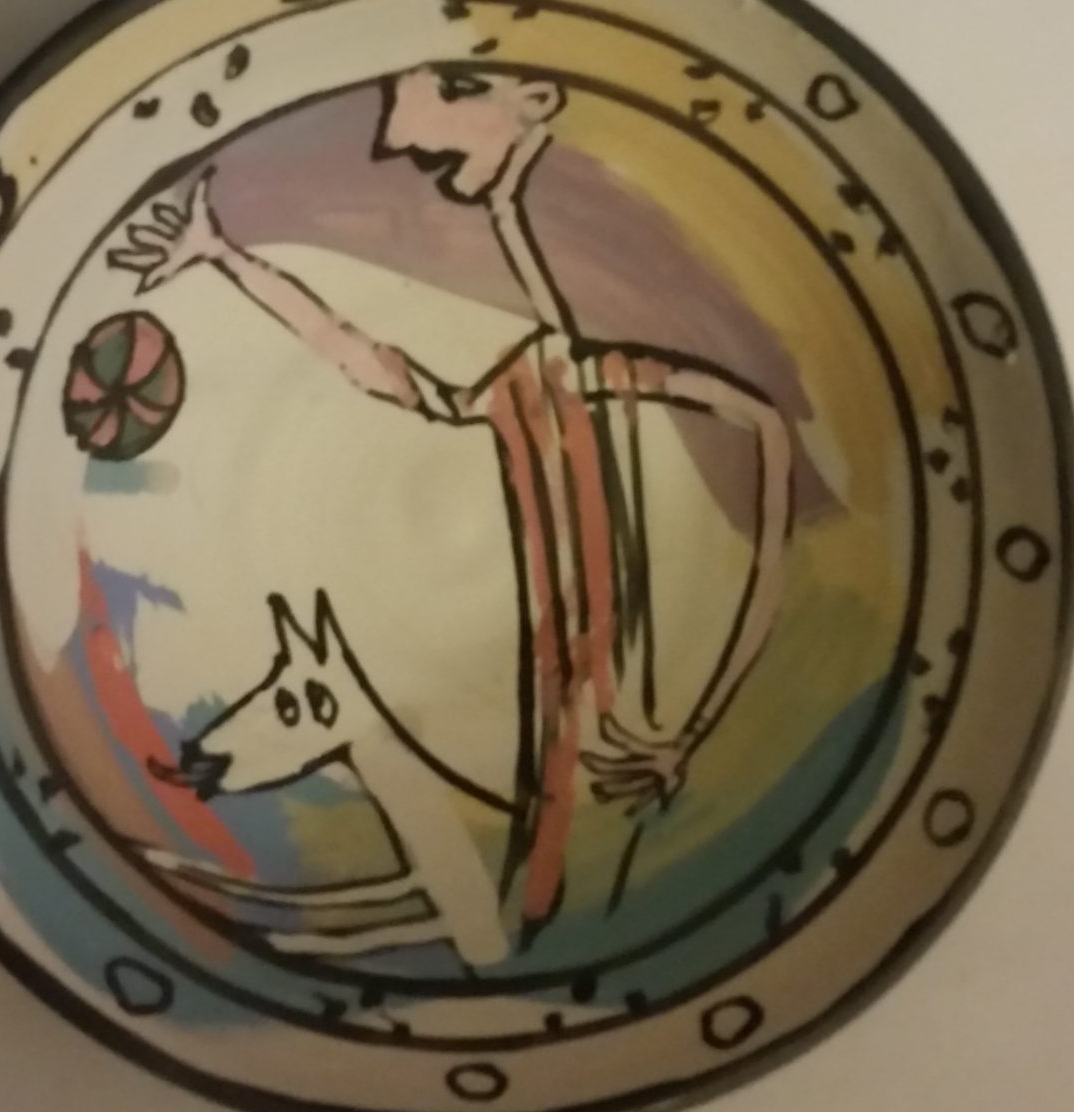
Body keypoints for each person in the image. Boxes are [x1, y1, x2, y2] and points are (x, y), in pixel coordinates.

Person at [109, 64, 793, 943]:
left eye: (440, 98)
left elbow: (763, 428)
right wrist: (224, 256)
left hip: (611, 746)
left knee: (534, 899)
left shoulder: (601, 372)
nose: (396, 140)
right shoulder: (524, 386)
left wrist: (687, 732)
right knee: (517, 897)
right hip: (575, 730)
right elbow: (356, 353)